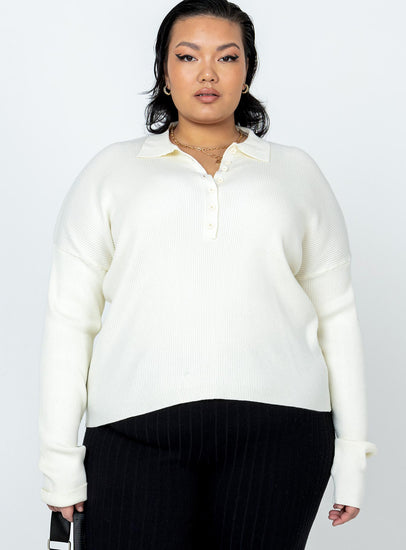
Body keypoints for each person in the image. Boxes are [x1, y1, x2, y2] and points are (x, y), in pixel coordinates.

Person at [38, 1, 378, 548]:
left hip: (282, 436)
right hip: (133, 433)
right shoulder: (111, 172)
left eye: (227, 56)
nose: (208, 73)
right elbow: (70, 320)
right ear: (163, 70)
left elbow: (338, 317)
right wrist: (59, 459)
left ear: (248, 71)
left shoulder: (296, 173)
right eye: (188, 56)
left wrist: (353, 456)